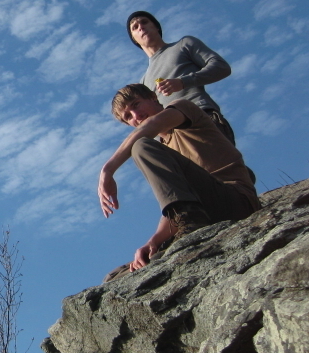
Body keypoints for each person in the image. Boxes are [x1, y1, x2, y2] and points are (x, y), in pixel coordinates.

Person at [98, 83, 260, 282]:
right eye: (128, 117)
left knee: (140, 146)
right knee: (115, 277)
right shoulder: (164, 150)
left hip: (235, 201)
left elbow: (151, 127)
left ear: (153, 97)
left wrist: (108, 170)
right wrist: (154, 241)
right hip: (206, 213)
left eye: (136, 104)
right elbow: (180, 201)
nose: (136, 115)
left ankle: (191, 226)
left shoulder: (184, 109)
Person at [127, 11, 237, 145]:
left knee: (227, 164)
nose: (141, 27)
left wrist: (183, 82)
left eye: (144, 22)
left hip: (200, 117)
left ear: (156, 27)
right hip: (173, 138)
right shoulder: (143, 83)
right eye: (135, 27)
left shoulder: (183, 44)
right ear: (134, 39)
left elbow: (221, 67)